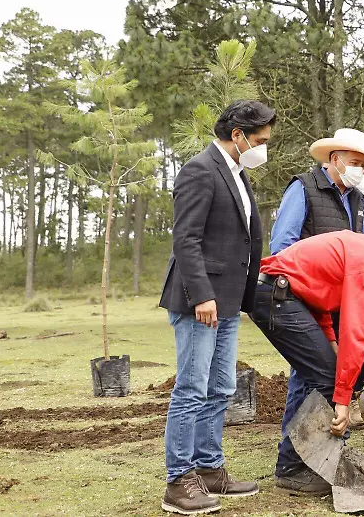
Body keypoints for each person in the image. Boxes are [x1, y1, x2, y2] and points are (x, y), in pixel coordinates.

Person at [158, 100, 274, 515]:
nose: (264, 148)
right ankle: (178, 481)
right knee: (191, 388)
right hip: (200, 302)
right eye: (260, 140)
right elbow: (186, 239)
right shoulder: (200, 170)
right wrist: (202, 295)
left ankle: (209, 468)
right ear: (238, 135)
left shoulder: (238, 175)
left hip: (226, 301)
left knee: (221, 387)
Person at [251, 229, 364, 475]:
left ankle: (302, 462)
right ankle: (293, 468)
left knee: (322, 375)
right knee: (328, 379)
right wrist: (342, 401)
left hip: (279, 292)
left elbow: (318, 298)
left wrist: (330, 341)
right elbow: (355, 334)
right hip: (277, 294)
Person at [267, 128, 364, 494]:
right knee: (309, 378)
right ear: (334, 159)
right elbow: (282, 246)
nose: (360, 170)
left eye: (363, 164)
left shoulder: (362, 202)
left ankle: (330, 451)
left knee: (347, 373)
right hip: (307, 298)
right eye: (355, 163)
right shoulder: (304, 188)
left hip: (345, 301)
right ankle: (294, 459)